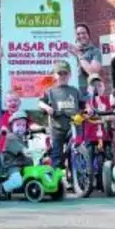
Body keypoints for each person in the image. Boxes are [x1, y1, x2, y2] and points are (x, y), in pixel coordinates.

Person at [38, 59, 83, 191]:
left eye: (65, 73)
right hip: (57, 127)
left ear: (69, 75)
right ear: (55, 75)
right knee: (57, 155)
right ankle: (56, 183)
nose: (62, 76)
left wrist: (87, 110)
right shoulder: (50, 91)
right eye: (60, 73)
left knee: (74, 152)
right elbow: (40, 102)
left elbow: (83, 105)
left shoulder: (74, 91)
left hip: (73, 126)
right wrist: (47, 108)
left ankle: (75, 180)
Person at [75, 73, 115, 182]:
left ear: (103, 86)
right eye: (94, 85)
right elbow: (82, 114)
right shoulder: (86, 101)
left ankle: (105, 182)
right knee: (89, 158)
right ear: (89, 88)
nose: (97, 87)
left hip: (105, 135)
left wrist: (107, 118)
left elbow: (114, 115)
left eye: (99, 85)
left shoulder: (108, 100)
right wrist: (86, 113)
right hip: (90, 135)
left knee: (108, 158)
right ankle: (88, 180)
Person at [0, 111, 34, 191]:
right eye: (18, 125)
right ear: (11, 126)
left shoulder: (24, 137)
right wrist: (25, 150)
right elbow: (21, 148)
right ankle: (2, 188)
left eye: (23, 125)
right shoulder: (10, 137)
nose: (21, 127)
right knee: (17, 181)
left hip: (24, 164)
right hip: (13, 165)